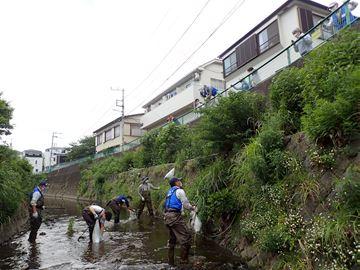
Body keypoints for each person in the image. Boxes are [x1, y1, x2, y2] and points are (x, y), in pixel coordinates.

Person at [164, 177, 196, 266]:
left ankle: (171, 263)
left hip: (167, 217)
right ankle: (184, 262)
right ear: (176, 183)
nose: (180, 182)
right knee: (186, 238)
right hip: (175, 217)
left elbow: (167, 205)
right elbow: (186, 205)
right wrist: (193, 208)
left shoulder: (169, 192)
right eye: (179, 181)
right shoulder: (180, 191)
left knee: (172, 241)